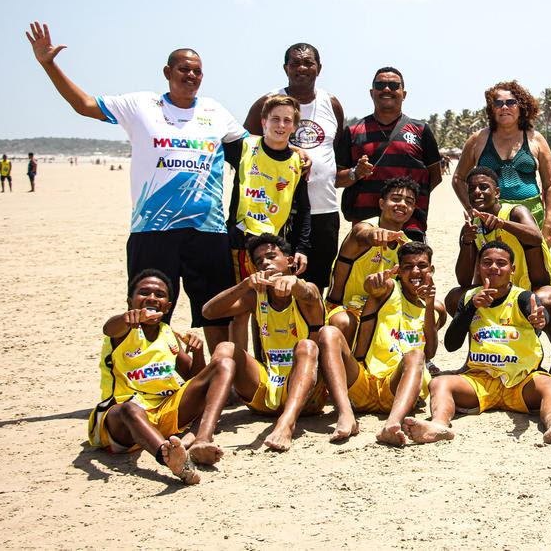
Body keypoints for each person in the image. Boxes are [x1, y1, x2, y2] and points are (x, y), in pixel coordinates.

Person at [27, 22, 246, 352]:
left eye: (197, 71)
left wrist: (296, 152)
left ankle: (220, 374)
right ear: (167, 71)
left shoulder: (216, 111)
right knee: (151, 310)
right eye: (184, 69)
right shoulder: (141, 105)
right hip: (153, 228)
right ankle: (151, 376)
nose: (191, 76)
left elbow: (253, 153)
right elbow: (84, 105)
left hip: (208, 229)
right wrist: (49, 64)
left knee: (215, 311)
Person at [402, 241, 551, 445]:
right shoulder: (470, 297)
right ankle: (439, 425)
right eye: (487, 262)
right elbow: (451, 344)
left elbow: (536, 311)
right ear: (479, 267)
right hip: (480, 379)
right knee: (439, 383)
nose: (493, 268)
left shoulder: (523, 297)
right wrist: (471, 308)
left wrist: (541, 318)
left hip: (522, 380)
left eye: (501, 263)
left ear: (512, 269)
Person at [202, 233, 358, 451]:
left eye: (271, 256)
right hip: (265, 392)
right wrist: (244, 284)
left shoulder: (306, 293)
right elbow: (208, 312)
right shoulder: (257, 296)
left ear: (290, 261)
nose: (265, 262)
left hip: (308, 397)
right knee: (225, 348)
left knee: (306, 346)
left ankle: (286, 423)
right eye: (259, 261)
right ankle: (203, 436)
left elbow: (310, 294)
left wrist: (294, 283)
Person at [88, 269, 237, 485]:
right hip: (125, 420)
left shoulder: (168, 334)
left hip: (165, 412)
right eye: (144, 293)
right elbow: (108, 328)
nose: (151, 298)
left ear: (168, 306)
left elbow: (194, 378)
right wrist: (127, 318)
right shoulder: (122, 331)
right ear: (130, 301)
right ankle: (170, 458)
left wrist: (197, 352)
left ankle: (202, 438)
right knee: (130, 409)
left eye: (160, 295)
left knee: (224, 364)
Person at [316, 241, 446, 445]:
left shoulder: (435, 308)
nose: (415, 271)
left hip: (396, 389)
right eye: (407, 267)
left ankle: (392, 424)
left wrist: (429, 306)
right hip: (364, 380)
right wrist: (373, 282)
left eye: (421, 266)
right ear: (399, 271)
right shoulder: (390, 289)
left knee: (416, 355)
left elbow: (429, 352)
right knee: (329, 333)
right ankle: (345, 414)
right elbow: (373, 287)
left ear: (431, 269)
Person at [446, 166, 551, 379]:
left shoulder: (515, 212)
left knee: (545, 299)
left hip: (531, 287)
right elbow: (464, 279)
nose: (477, 192)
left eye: (484, 187)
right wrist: (466, 241)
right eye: (472, 188)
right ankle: (474, 357)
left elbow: (535, 237)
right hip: (501, 293)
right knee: (456, 298)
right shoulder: (472, 225)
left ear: (497, 192)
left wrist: (503, 224)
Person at [244, 43, 345, 295]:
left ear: (319, 68)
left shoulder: (331, 103)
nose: (302, 68)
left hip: (324, 210)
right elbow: (245, 146)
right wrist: (293, 150)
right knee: (270, 285)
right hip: (279, 212)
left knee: (315, 285)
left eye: (308, 63)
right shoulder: (268, 102)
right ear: (285, 68)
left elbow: (338, 152)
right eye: (295, 63)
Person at [227, 93, 311, 350]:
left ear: (295, 126)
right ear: (263, 121)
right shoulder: (244, 147)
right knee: (241, 308)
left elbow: (303, 209)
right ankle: (240, 366)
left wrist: (301, 249)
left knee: (269, 308)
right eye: (275, 119)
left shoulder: (298, 161)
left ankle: (266, 365)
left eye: (287, 120)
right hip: (241, 241)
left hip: (274, 246)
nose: (281, 125)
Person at [336, 67, 441, 240]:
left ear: (404, 93)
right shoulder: (353, 131)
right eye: (380, 85)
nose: (386, 89)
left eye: (393, 85)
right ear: (372, 92)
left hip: (410, 226)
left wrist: (406, 199)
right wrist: (356, 173)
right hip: (365, 229)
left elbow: (434, 177)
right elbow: (336, 179)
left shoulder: (421, 130)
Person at [453, 81, 551, 244]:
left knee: (534, 267)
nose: (504, 107)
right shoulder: (478, 140)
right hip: (490, 217)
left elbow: (550, 184)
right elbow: (458, 178)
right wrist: (470, 208)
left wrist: (549, 222)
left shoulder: (535, 139)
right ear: (491, 109)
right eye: (498, 103)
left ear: (521, 107)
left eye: (511, 102)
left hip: (531, 217)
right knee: (494, 266)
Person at [325, 177, 416, 343]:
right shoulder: (364, 228)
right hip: (343, 307)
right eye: (395, 199)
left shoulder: (407, 245)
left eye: (409, 202)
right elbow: (361, 235)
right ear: (382, 204)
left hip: (380, 307)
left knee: (435, 309)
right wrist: (373, 235)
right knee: (343, 322)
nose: (402, 204)